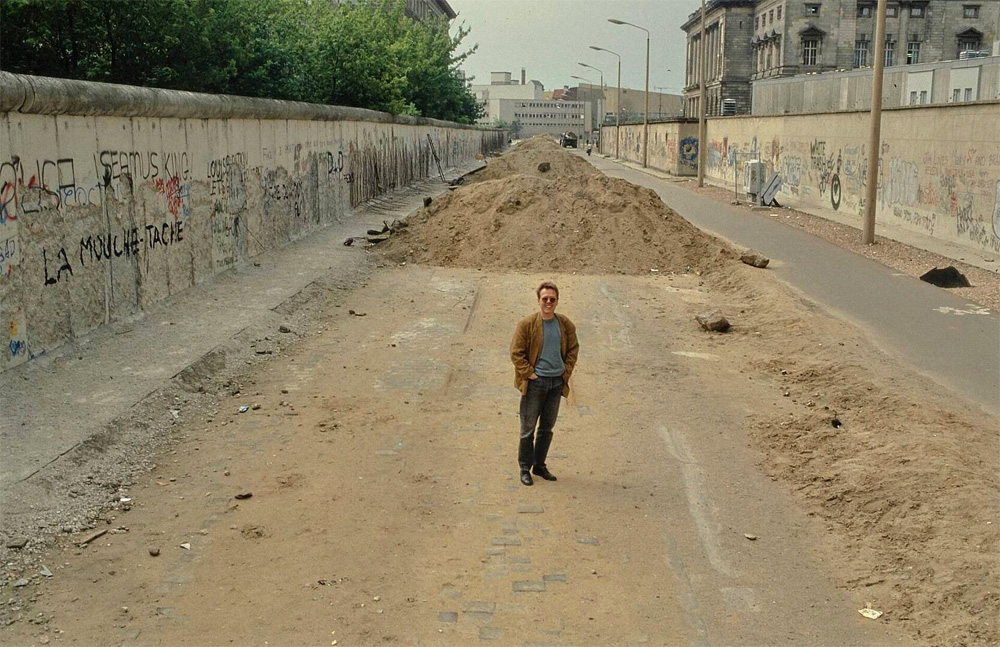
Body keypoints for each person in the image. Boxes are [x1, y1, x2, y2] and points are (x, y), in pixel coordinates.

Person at [509, 281, 580, 486]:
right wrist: (529, 374)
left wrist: (565, 372)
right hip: (535, 384)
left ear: (557, 301)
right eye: (545, 299)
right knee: (528, 428)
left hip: (556, 383)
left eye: (552, 299)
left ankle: (539, 465)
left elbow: (573, 349)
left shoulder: (565, 324)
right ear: (538, 301)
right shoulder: (527, 324)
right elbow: (516, 352)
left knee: (547, 428)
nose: (549, 302)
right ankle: (524, 467)